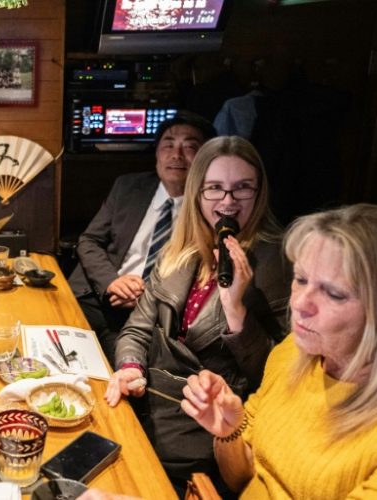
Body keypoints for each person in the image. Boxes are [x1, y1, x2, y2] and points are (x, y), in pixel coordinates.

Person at [104, 136, 291, 492]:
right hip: (142, 409)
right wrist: (130, 368)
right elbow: (137, 330)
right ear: (197, 193)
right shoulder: (182, 248)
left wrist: (236, 310)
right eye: (215, 188)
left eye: (242, 188)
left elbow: (277, 377)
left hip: (201, 437)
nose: (227, 201)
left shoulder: (277, 261)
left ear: (260, 192)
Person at [182, 204, 377, 498]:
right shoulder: (293, 352)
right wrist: (228, 432)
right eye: (301, 279)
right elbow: (242, 481)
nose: (299, 304)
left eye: (333, 293)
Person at [68, 112, 217, 364]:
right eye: (168, 145)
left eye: (190, 147)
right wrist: (111, 283)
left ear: (206, 158)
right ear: (157, 153)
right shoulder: (128, 187)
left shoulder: (210, 209)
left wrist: (148, 296)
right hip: (98, 297)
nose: (176, 155)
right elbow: (89, 241)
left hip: (151, 318)